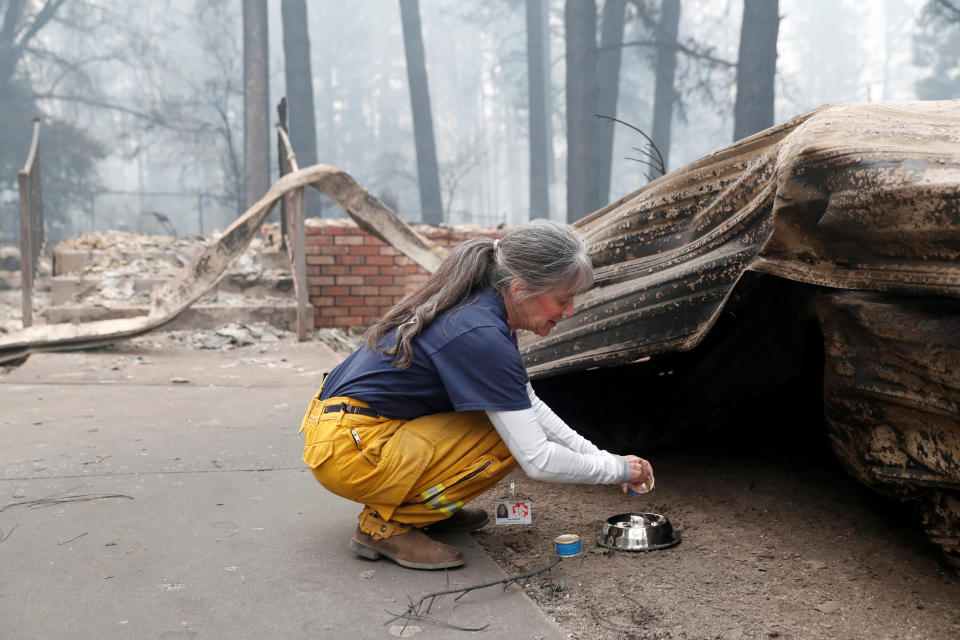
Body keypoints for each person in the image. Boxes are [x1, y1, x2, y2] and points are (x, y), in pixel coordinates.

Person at [299, 219, 654, 570]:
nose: (571, 310)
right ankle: (387, 526)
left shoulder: (482, 309)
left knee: (509, 420)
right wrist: (614, 469)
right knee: (504, 438)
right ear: (519, 290)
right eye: (563, 298)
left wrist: (609, 459)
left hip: (344, 434)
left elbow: (528, 402)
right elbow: (538, 460)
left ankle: (426, 511)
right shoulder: (480, 333)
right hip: (353, 450)